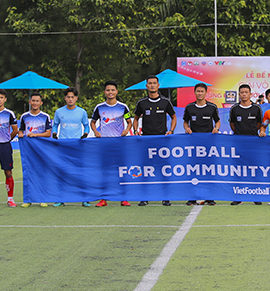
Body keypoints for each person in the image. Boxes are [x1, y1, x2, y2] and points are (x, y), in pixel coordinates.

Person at [133, 75, 177, 206]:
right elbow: (135, 119)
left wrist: (171, 130)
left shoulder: (165, 102)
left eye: (154, 83)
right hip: (146, 140)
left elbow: (174, 117)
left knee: (163, 168)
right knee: (146, 168)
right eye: (150, 83)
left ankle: (165, 196)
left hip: (162, 140)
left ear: (158, 86)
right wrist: (136, 131)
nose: (152, 85)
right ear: (146, 86)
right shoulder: (142, 103)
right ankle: (144, 197)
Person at [91, 81, 133, 207]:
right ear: (105, 92)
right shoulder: (99, 107)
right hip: (104, 144)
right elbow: (93, 122)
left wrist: (126, 130)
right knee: (105, 171)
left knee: (121, 170)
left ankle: (123, 198)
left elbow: (129, 122)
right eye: (108, 90)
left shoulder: (123, 107)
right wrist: (95, 132)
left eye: (112, 90)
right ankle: (104, 199)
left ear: (116, 92)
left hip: (120, 144)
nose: (110, 92)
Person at [183, 83, 221, 206]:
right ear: (195, 93)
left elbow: (218, 121)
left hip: (209, 144)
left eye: (202, 91)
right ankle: (192, 197)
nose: (200, 93)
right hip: (193, 144)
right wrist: (187, 128)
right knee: (193, 170)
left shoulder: (212, 107)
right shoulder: (189, 107)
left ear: (206, 93)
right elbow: (185, 122)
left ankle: (210, 198)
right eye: (198, 91)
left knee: (209, 170)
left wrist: (216, 128)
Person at [52, 87, 90, 207]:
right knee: (62, 171)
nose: (70, 99)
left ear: (76, 98)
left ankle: (85, 198)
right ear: (65, 98)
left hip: (78, 146)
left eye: (72, 97)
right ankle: (60, 198)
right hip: (63, 145)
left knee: (80, 171)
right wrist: (54, 134)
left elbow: (86, 126)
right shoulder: (59, 112)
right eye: (68, 97)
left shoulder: (82, 112)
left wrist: (85, 134)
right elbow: (55, 125)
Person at [229, 84, 263, 206]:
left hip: (253, 144)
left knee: (253, 170)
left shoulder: (256, 108)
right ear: (239, 94)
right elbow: (232, 125)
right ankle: (238, 196)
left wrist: (251, 133)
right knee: (239, 170)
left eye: (246, 92)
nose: (244, 94)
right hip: (238, 144)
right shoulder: (234, 109)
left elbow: (259, 124)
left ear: (250, 94)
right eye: (242, 92)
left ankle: (255, 195)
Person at [19, 92, 52, 208]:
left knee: (42, 172)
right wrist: (20, 134)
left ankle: (43, 199)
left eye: (37, 101)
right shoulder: (24, 116)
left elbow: (48, 133)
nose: (35, 103)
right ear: (29, 102)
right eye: (33, 100)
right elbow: (21, 131)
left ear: (41, 103)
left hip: (42, 148)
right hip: (28, 149)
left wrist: (36, 135)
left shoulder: (45, 116)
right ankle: (28, 199)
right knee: (28, 173)